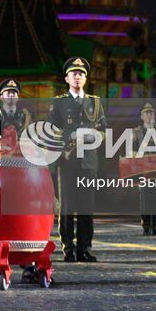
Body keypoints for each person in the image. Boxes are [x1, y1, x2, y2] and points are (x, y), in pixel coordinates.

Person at [48, 56, 108, 263]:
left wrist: (95, 136)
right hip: (67, 162)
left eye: (81, 74)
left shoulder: (95, 102)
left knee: (86, 206)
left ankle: (84, 248)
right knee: (67, 206)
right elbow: (51, 130)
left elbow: (104, 130)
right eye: (74, 73)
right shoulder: (59, 103)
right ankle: (68, 247)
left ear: (86, 78)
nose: (78, 77)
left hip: (88, 162)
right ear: (66, 78)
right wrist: (71, 136)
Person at [137, 101, 156, 236]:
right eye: (147, 113)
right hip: (143, 171)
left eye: (152, 113)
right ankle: (146, 226)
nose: (150, 115)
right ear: (142, 116)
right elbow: (131, 151)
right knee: (145, 199)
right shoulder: (136, 132)